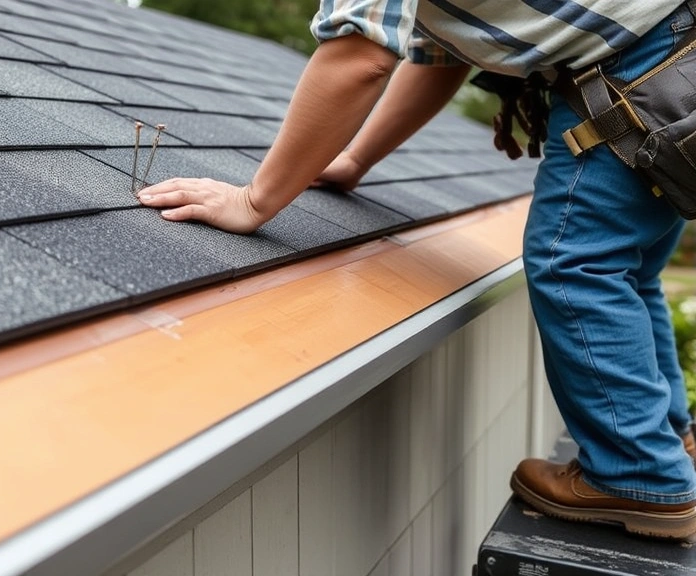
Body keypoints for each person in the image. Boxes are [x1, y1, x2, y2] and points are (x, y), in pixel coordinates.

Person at [137, 0, 696, 539]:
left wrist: (256, 201)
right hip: (674, 56)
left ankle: (639, 477)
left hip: (637, 72)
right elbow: (442, 54)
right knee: (630, 269)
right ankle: (666, 435)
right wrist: (356, 158)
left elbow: (363, 56)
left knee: (572, 264)